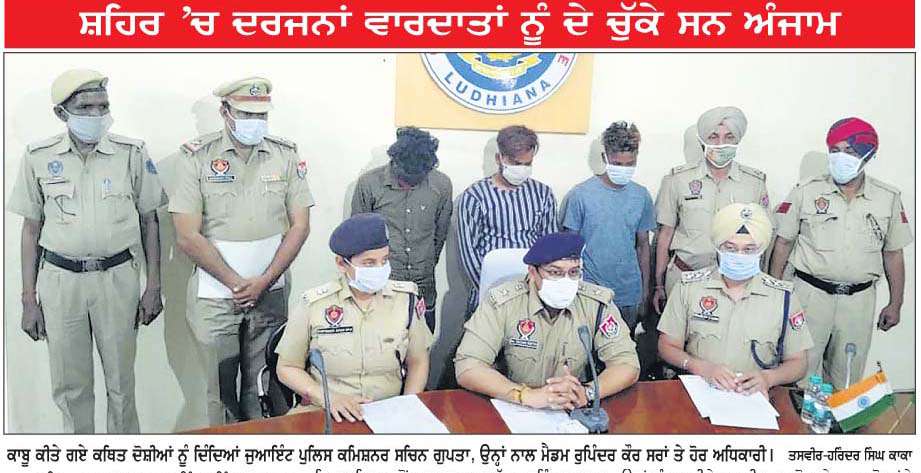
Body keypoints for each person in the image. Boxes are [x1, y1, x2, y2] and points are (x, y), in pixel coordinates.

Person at [8, 69, 166, 433]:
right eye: (85, 108)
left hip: (117, 279)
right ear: (61, 113)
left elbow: (150, 221)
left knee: (121, 384)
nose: (97, 115)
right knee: (70, 387)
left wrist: (154, 286)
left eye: (103, 106)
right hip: (61, 283)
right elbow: (31, 229)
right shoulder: (37, 157)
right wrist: (28, 299)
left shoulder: (130, 153)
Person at [167, 76, 314, 425]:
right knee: (221, 391)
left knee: (263, 384)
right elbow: (187, 235)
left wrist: (263, 282)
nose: (255, 122)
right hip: (216, 296)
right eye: (246, 114)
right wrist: (237, 283)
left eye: (261, 115)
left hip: (270, 291)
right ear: (225, 112)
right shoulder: (196, 157)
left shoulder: (285, 154)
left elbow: (300, 225)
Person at [769, 117, 912, 390]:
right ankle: (800, 418)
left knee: (846, 375)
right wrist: (775, 294)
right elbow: (783, 243)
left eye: (849, 151)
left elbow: (893, 254)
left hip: (858, 301)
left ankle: (837, 418)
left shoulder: (888, 198)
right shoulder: (806, 191)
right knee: (800, 372)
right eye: (834, 150)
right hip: (809, 296)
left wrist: (896, 303)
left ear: (867, 155)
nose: (840, 157)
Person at [275, 213, 434, 422]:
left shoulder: (406, 300)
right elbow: (287, 368)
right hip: (325, 410)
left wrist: (407, 405)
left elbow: (418, 361)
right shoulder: (314, 305)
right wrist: (327, 398)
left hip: (388, 410)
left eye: (384, 260)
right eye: (369, 263)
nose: (380, 269)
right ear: (342, 264)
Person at [454, 232, 639, 410]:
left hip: (572, 409)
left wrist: (587, 392)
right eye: (555, 272)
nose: (565, 281)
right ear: (533, 272)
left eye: (573, 272)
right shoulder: (503, 303)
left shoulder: (596, 304)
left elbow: (627, 363)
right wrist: (525, 395)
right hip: (514, 406)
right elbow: (468, 365)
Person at [658, 203, 813, 395]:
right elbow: (666, 346)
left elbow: (798, 363)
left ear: (761, 250)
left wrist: (768, 378)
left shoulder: (783, 296)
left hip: (754, 396)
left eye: (749, 250)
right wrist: (700, 367)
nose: (739, 256)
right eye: (730, 248)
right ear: (718, 247)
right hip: (698, 391)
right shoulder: (689, 287)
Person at [446, 125, 558, 388]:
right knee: (483, 370)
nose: (522, 169)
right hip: (487, 298)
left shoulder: (542, 194)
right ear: (500, 158)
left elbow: (550, 248)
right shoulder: (474, 197)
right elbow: (469, 254)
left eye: (528, 164)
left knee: (527, 371)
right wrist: (497, 295)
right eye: (516, 163)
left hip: (533, 298)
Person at [653, 106, 770, 314]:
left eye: (729, 137)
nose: (721, 143)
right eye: (714, 137)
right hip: (684, 276)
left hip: (735, 283)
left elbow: (763, 239)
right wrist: (659, 286)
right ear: (702, 141)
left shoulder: (754, 183)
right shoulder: (677, 180)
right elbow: (664, 236)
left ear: (738, 140)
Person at [351, 126, 453, 332]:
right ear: (394, 162)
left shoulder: (441, 185)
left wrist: (425, 262)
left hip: (423, 285)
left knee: (422, 343)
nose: (408, 186)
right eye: (404, 179)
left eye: (415, 181)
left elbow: (439, 234)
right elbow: (358, 239)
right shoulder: (369, 184)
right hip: (381, 285)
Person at [561, 121, 656, 336]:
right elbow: (568, 249)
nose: (623, 169)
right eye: (617, 163)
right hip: (589, 291)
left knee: (623, 351)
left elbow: (643, 246)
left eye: (629, 164)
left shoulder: (641, 196)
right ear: (605, 157)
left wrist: (644, 292)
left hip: (628, 293)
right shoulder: (581, 195)